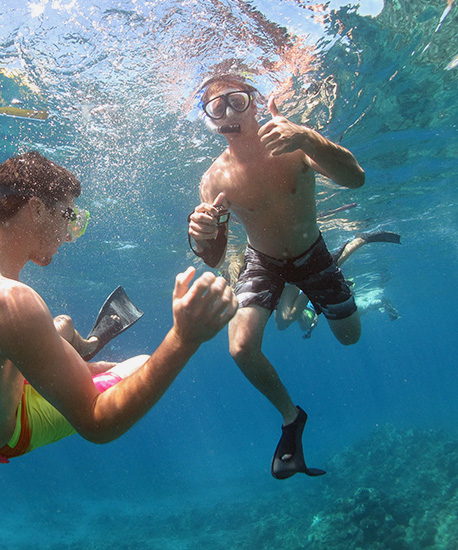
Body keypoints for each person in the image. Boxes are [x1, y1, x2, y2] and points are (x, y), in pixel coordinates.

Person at [0, 151, 238, 463]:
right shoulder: (16, 301)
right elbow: (97, 424)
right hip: (10, 434)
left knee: (56, 327)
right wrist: (184, 338)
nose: (69, 237)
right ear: (37, 209)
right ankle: (79, 349)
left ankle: (78, 349)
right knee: (138, 364)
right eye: (69, 217)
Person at [188, 74, 365, 479]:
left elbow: (356, 178)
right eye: (217, 108)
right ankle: (291, 417)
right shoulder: (213, 179)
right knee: (240, 348)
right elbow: (214, 258)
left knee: (350, 337)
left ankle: (324, 275)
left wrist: (307, 137)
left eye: (236, 101)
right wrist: (201, 237)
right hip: (262, 261)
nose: (229, 113)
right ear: (210, 121)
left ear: (255, 101)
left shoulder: (294, 142)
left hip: (313, 253)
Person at [274, 230, 402, 337]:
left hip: (299, 280)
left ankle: (361, 240)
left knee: (283, 322)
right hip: (302, 285)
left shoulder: (305, 312)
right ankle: (361, 240)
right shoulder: (307, 312)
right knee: (282, 323)